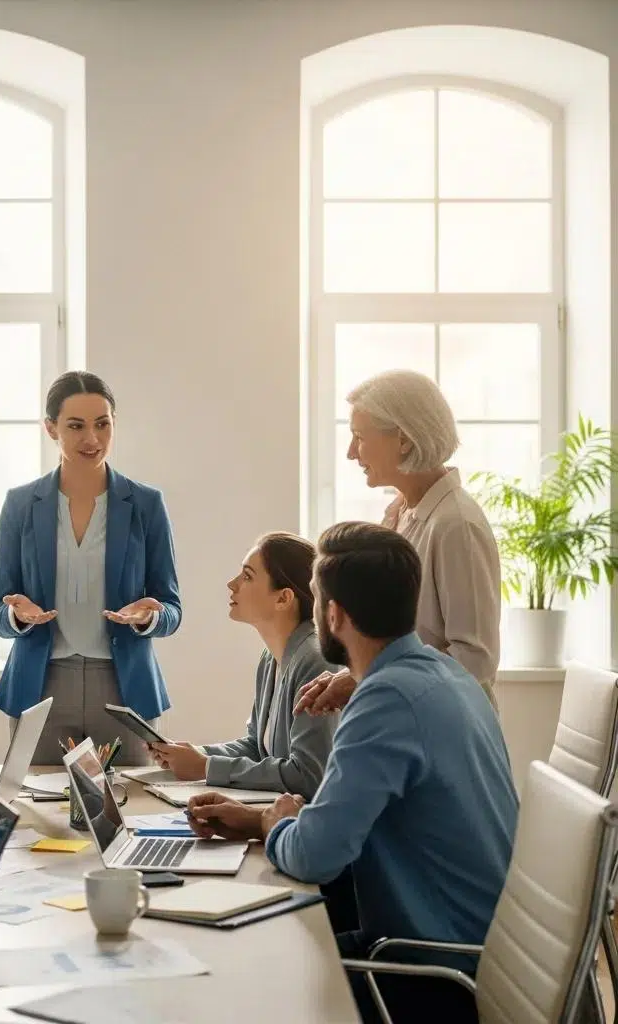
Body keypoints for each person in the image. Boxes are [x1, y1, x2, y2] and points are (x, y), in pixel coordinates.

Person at [186, 523, 518, 1024]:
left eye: (316, 599)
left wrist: (275, 826)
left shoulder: (386, 702)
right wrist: (258, 821)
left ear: (333, 615)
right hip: (484, 951)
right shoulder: (446, 673)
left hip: (431, 973)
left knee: (243, 969)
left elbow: (316, 856)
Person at [0, 371, 181, 766]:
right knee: (38, 809)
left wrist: (148, 619)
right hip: (40, 684)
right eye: (75, 426)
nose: (91, 439)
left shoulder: (146, 504)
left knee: (132, 808)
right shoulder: (21, 504)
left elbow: (172, 608)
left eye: (102, 424)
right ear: (50, 428)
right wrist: (16, 616)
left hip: (124, 685)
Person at [297, 370, 501, 716]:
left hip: (444, 725)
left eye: (359, 437)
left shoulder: (456, 526)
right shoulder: (400, 513)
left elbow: (475, 659)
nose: (350, 453)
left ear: (404, 440)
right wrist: (351, 674)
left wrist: (367, 678)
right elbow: (394, 642)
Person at [148, 532, 338, 797]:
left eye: (247, 576)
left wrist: (206, 767)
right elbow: (256, 747)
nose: (232, 584)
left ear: (283, 598)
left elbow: (308, 775)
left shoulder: (314, 661)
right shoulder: (270, 658)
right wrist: (195, 755)